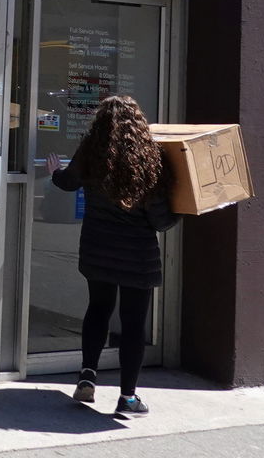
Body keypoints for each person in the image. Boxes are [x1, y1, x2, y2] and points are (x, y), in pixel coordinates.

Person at [45, 95, 178, 417]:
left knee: (98, 310)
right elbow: (161, 220)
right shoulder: (151, 159)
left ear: (100, 123)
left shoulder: (91, 152)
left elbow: (67, 182)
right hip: (137, 255)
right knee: (132, 325)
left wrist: (55, 172)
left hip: (98, 248)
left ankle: (86, 377)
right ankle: (128, 397)